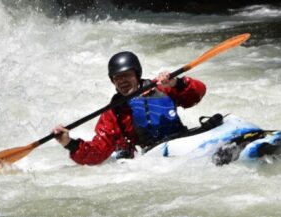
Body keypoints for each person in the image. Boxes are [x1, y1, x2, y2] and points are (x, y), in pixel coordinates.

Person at [53, 51, 206, 165]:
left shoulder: (162, 88)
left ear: (137, 75)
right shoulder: (113, 113)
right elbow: (98, 153)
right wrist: (69, 143)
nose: (122, 81)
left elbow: (196, 95)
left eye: (127, 75)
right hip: (149, 160)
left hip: (180, 141)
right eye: (117, 78)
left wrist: (176, 83)